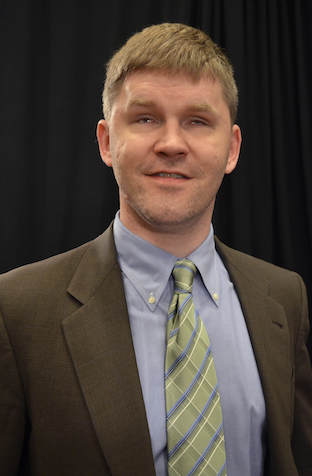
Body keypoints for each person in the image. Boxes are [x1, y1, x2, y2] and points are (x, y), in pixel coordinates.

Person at [0, 22, 312, 476]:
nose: (171, 144)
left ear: (232, 148)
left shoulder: (284, 297)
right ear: (108, 142)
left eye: (198, 121)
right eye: (145, 118)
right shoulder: (17, 310)